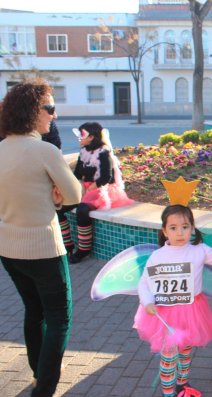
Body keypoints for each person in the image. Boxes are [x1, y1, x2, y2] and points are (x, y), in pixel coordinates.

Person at [0, 79, 82, 397]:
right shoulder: (44, 150)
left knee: (33, 311)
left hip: (8, 249)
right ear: (33, 111)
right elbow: (75, 194)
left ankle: (38, 375)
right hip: (43, 249)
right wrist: (57, 195)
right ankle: (44, 389)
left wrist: (50, 196)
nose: (54, 115)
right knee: (59, 316)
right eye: (49, 108)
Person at [133, 204, 212, 397]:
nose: (180, 232)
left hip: (192, 310)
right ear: (164, 231)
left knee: (185, 350)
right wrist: (147, 302)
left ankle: (182, 385)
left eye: (185, 226)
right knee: (168, 355)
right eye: (173, 228)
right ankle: (168, 393)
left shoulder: (199, 250)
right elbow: (144, 284)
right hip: (166, 312)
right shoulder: (157, 256)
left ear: (192, 228)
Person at [57, 122, 134, 264]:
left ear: (92, 137)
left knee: (82, 209)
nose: (79, 138)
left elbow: (106, 177)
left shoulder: (104, 152)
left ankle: (84, 249)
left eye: (82, 135)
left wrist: (90, 187)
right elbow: (78, 173)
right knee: (60, 208)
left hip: (101, 189)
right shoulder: (84, 151)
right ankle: (67, 245)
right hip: (85, 187)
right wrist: (78, 185)